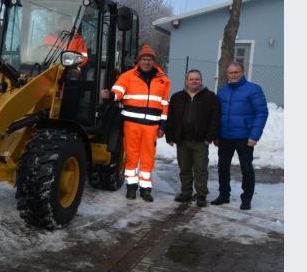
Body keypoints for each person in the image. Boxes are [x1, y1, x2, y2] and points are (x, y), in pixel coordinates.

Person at [101, 44, 171, 202]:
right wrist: (110, 95)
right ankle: (131, 188)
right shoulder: (128, 76)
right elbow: (119, 91)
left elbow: (165, 104)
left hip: (151, 127)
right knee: (131, 156)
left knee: (148, 157)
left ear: (154, 61)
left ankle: (146, 189)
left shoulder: (163, 81)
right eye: (144, 59)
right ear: (139, 61)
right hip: (131, 124)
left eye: (149, 59)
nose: (146, 62)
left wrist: (163, 126)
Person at [211, 62, 269, 210]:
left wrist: (254, 135)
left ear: (243, 72)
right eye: (231, 72)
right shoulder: (222, 91)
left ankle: (246, 199)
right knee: (223, 167)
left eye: (237, 72)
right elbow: (217, 115)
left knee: (246, 168)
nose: (234, 75)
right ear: (227, 74)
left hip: (245, 137)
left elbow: (261, 113)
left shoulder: (253, 89)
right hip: (225, 136)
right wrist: (216, 135)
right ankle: (224, 195)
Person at [165, 69, 220, 207]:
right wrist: (170, 136)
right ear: (186, 81)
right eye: (191, 79)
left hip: (201, 141)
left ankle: (201, 195)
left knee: (200, 168)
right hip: (182, 140)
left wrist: (209, 137)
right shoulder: (177, 97)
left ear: (201, 81)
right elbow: (170, 118)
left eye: (197, 79)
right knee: (184, 168)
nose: (194, 81)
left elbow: (215, 119)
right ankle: (186, 193)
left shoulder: (210, 97)